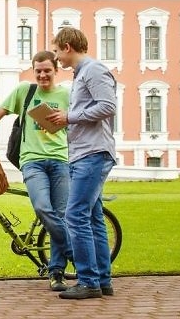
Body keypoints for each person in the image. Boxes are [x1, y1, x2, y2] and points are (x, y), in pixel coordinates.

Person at [0, 50, 72, 292]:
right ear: (33, 71)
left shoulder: (67, 94)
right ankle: (75, 251)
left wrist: (66, 119)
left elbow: (80, 121)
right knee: (42, 207)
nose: (43, 75)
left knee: (60, 214)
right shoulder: (24, 91)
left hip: (60, 160)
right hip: (32, 161)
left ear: (56, 70)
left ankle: (56, 272)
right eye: (38, 71)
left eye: (47, 70)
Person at [49, 27, 118, 299]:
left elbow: (108, 106)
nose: (56, 58)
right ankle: (102, 280)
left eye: (56, 51)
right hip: (84, 153)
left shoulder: (93, 70)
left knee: (75, 215)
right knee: (92, 217)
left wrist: (70, 117)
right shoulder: (81, 74)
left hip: (93, 153)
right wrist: (63, 121)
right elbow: (88, 111)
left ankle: (89, 281)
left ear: (67, 47)